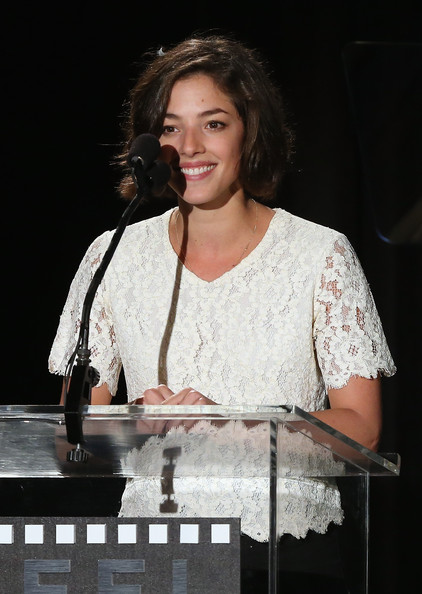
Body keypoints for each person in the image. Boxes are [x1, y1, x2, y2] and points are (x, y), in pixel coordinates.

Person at [49, 34, 396, 593]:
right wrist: (133, 422)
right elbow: (72, 438)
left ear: (248, 131)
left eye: (213, 123)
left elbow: (363, 428)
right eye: (169, 128)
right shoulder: (111, 255)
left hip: (289, 553)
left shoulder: (320, 255)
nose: (189, 147)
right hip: (152, 553)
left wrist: (227, 425)